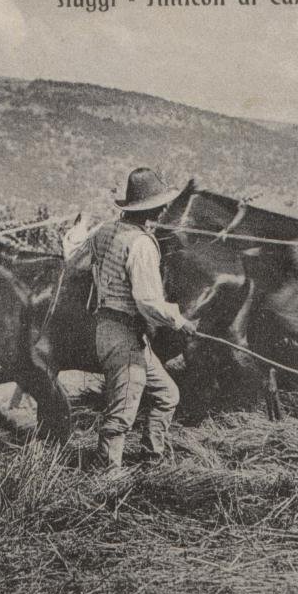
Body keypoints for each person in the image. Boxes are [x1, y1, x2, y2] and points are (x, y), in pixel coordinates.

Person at [89, 167, 198, 469]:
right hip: (124, 337)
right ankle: (107, 478)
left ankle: (152, 458)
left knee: (167, 394)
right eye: (160, 203)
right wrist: (180, 321)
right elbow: (147, 300)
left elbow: (86, 265)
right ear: (150, 208)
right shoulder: (141, 245)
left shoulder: (104, 232)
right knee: (122, 414)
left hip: (112, 331)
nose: (165, 207)